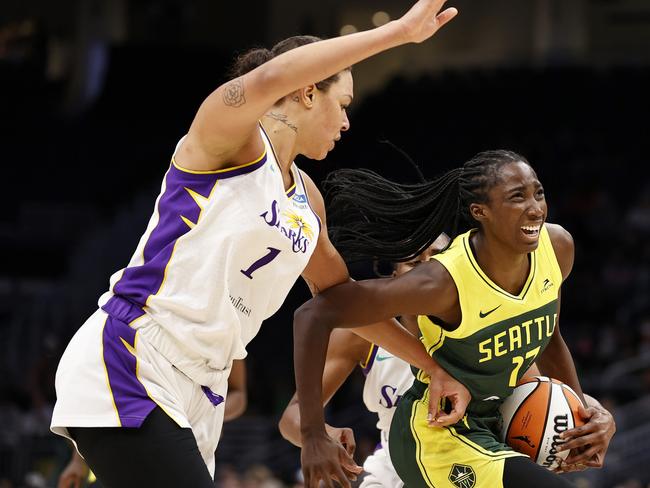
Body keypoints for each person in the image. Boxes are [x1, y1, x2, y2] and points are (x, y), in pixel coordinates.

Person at [50, 2, 466, 487]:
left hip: (202, 387)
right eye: (344, 104)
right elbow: (273, 78)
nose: (348, 123)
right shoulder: (230, 139)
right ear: (309, 92)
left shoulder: (306, 198)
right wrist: (397, 33)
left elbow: (341, 297)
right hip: (137, 355)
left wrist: (431, 366)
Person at [293, 150, 616, 487]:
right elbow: (313, 313)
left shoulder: (557, 247)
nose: (535, 207)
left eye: (538, 193)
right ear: (481, 211)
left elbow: (549, 338)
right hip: (435, 438)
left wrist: (582, 416)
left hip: (494, 427)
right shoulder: (442, 282)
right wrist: (313, 433)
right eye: (517, 197)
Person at [280, 236, 450, 488]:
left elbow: (528, 389)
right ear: (395, 279)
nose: (428, 269)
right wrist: (324, 433)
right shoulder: (361, 335)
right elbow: (292, 417)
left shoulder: (483, 322)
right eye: (415, 263)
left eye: (438, 259)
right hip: (394, 469)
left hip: (463, 462)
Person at [57, 360, 248, 488]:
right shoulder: (152, 321)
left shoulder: (228, 330)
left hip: (195, 438)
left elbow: (239, 395)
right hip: (142, 433)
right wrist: (76, 461)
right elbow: (109, 401)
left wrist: (210, 412)